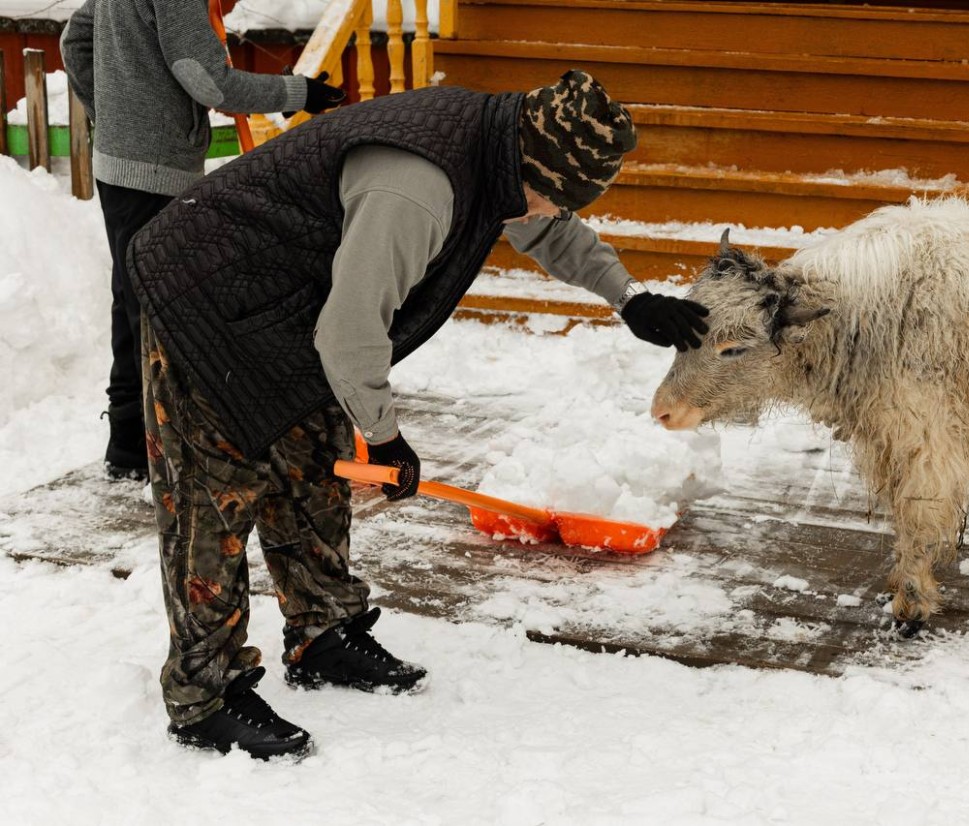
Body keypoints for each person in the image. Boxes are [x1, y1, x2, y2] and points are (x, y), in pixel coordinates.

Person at [126, 69, 710, 760]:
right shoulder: (419, 187)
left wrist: (628, 296)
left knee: (311, 464)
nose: (551, 216)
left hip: (281, 303)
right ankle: (205, 694)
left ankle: (324, 633)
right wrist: (385, 439)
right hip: (205, 296)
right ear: (531, 168)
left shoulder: (500, 147)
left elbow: (545, 227)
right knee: (214, 496)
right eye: (552, 200)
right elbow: (349, 334)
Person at [60, 0, 347, 480]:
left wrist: (111, 118)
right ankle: (154, 450)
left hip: (119, 165)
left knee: (132, 301)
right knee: (157, 311)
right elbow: (209, 81)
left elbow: (75, 42)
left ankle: (131, 446)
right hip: (154, 171)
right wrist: (299, 92)